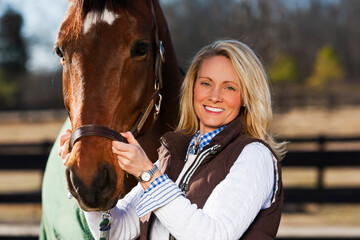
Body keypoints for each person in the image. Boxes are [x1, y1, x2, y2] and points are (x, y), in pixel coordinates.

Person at [59, 39, 286, 239]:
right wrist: (82, 179)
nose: (215, 97)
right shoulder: (173, 155)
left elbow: (213, 236)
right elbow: (116, 231)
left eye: (229, 87)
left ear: (246, 96)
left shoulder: (255, 156)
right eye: (206, 83)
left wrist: (147, 174)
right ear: (193, 88)